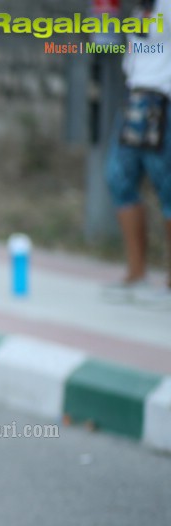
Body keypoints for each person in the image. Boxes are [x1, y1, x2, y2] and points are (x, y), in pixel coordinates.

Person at [103, 0, 171, 308]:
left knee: (166, 186)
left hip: (164, 102)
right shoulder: (140, 8)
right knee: (118, 177)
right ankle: (136, 272)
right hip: (136, 98)